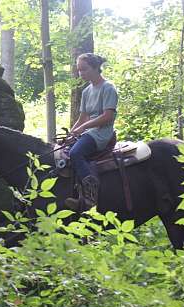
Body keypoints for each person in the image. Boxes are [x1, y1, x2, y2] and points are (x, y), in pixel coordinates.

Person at [64, 53, 118, 211]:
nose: (81, 73)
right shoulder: (87, 91)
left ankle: (90, 195)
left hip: (102, 134)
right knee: (62, 151)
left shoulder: (108, 88)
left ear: (96, 68)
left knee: (75, 153)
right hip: (88, 132)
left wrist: (84, 127)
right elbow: (82, 118)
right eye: (79, 70)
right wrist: (71, 134)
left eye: (84, 69)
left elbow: (108, 116)